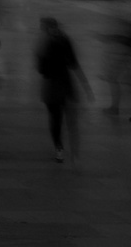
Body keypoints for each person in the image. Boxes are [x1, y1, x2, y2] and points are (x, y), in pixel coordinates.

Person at [36, 17, 90, 161]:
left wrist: (86, 86)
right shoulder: (62, 39)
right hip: (62, 83)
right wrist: (86, 86)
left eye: (44, 26)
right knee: (62, 118)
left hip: (54, 85)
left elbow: (42, 69)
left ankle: (60, 147)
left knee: (57, 118)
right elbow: (73, 63)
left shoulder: (48, 42)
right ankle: (66, 148)